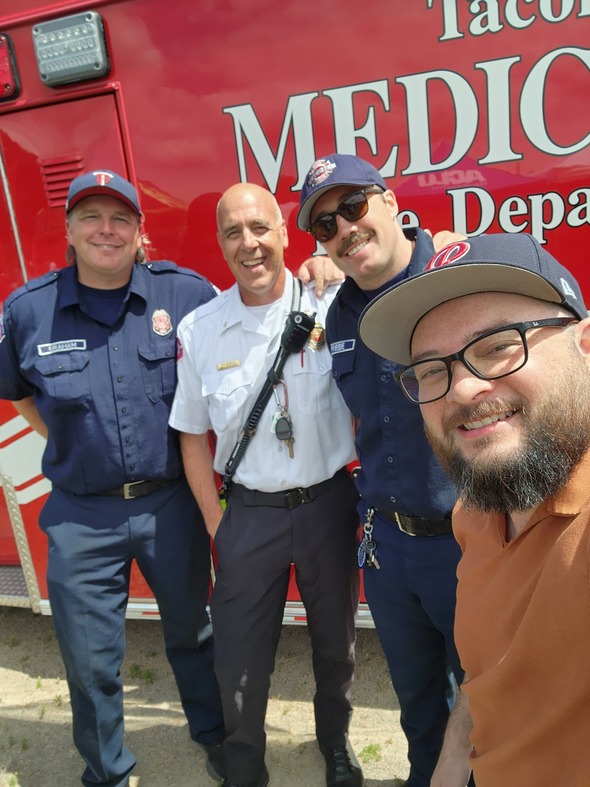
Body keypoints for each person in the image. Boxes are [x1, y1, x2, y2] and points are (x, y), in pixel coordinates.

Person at [0, 170, 226, 787]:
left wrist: (314, 272)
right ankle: (108, 771)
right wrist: (75, 441)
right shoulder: (27, 312)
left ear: (139, 231)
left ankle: (217, 738)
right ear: (69, 229)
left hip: (170, 505)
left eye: (120, 218)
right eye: (92, 217)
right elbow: (20, 395)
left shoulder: (184, 296)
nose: (107, 229)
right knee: (90, 658)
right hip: (80, 514)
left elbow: (250, 322)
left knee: (196, 634)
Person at [358, 232, 590, 787]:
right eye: (433, 370)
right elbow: (484, 673)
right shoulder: (477, 511)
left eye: (498, 345)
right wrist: (449, 765)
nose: (462, 388)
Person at [169, 182, 363, 787]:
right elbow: (190, 435)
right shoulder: (200, 330)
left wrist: (336, 266)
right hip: (248, 515)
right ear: (221, 246)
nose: (249, 244)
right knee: (240, 658)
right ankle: (245, 765)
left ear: (284, 234)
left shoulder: (335, 303)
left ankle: (335, 743)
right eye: (233, 232)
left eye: (260, 228)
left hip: (328, 504)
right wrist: (214, 520)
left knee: (337, 648)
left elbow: (405, 268)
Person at [297, 154, 466, 787]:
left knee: (490, 702)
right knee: (418, 704)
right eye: (323, 226)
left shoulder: (456, 274)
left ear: (391, 201)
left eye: (353, 207)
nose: (343, 228)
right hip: (388, 551)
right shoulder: (337, 312)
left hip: (468, 542)